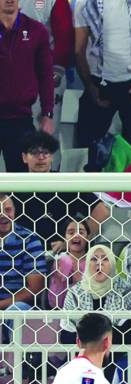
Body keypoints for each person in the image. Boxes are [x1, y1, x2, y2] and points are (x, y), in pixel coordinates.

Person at [73, 0, 131, 162]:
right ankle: (90, 186)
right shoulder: (84, 4)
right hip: (99, 82)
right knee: (87, 145)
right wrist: (91, 87)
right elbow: (79, 50)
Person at [15, 130, 106, 252]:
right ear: (24, 157)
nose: (41, 157)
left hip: (61, 257)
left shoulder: (65, 183)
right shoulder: (15, 185)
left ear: (52, 157)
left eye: (46, 153)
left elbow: (101, 211)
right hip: (23, 256)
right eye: (34, 153)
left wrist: (74, 241)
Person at [0, 0, 55, 173]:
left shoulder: (36, 30)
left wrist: (47, 113)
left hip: (20, 120)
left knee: (21, 183)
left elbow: (46, 75)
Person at [60, 244, 131, 343]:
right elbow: (66, 335)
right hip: (82, 353)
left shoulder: (125, 291)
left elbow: (129, 333)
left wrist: (89, 337)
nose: (99, 263)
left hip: (117, 353)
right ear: (87, 263)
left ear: (113, 264)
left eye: (105, 259)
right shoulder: (75, 293)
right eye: (94, 259)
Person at [0, 193, 46, 343]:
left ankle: (16, 365)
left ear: (15, 211)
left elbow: (35, 287)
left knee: (17, 310)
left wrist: (1, 305)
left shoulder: (29, 239)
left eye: (8, 210)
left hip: (15, 305)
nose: (4, 215)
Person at [49, 219, 93, 309]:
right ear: (65, 238)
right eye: (71, 232)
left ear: (88, 237)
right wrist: (59, 280)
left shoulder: (94, 261)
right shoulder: (60, 261)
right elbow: (54, 303)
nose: (76, 235)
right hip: (62, 311)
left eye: (81, 232)